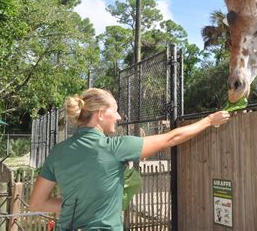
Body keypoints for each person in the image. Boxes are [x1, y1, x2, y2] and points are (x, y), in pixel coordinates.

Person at [29, 88, 230, 230]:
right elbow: (172, 138)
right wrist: (210, 120)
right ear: (100, 114)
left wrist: (74, 207)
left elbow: (37, 204)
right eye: (115, 110)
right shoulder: (115, 147)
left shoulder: (58, 152)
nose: (119, 117)